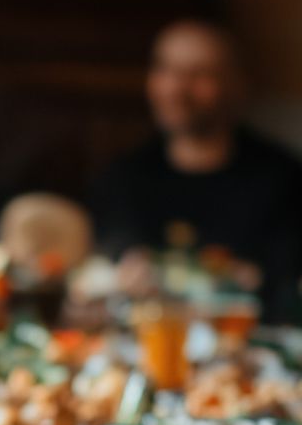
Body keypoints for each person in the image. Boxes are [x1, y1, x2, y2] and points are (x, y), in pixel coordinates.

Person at [91, 18, 302, 323]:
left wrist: (259, 279)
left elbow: (287, 279)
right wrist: (125, 266)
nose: (177, 88)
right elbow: (107, 254)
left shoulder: (283, 179)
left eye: (199, 74)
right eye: (166, 70)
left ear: (236, 85)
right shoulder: (122, 177)